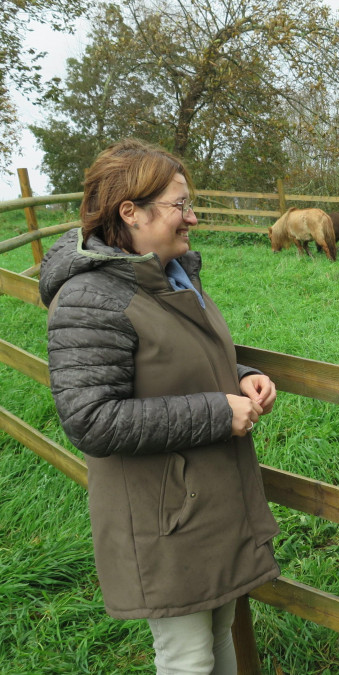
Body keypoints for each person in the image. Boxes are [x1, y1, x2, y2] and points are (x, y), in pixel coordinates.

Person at [39, 138, 280, 674]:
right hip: (161, 513)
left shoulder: (172, 275)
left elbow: (175, 359)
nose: (191, 217)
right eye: (180, 205)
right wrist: (219, 412)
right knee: (186, 657)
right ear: (131, 212)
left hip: (203, 499)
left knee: (219, 635)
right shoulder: (90, 298)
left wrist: (242, 376)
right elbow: (91, 420)